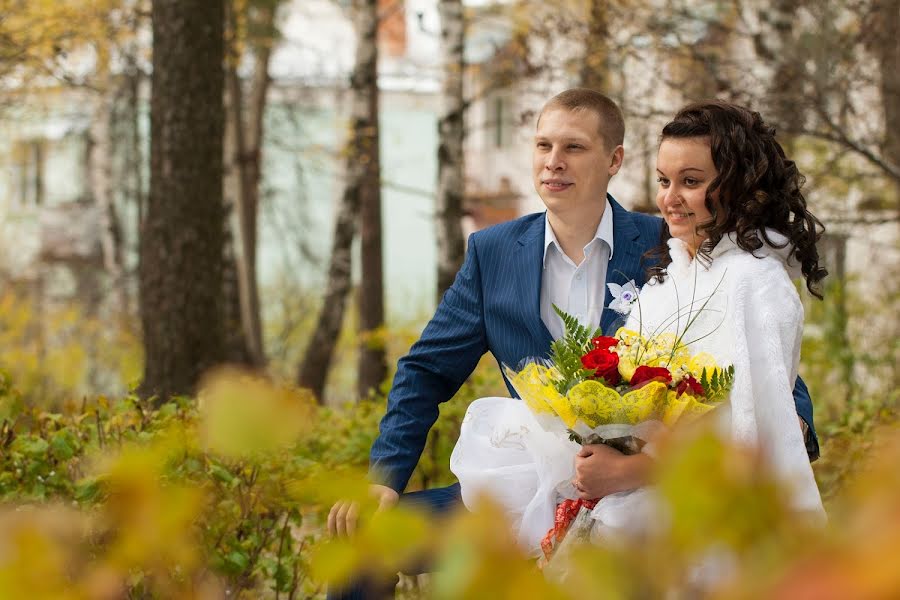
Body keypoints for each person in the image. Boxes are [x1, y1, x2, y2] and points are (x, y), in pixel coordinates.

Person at [326, 90, 819, 597]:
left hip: (635, 499)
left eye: (574, 148)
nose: (553, 162)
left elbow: (757, 364)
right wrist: (383, 480)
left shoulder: (671, 245)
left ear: (614, 160)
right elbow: (425, 371)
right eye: (543, 146)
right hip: (525, 488)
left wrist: (792, 428)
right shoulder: (492, 254)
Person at [451, 100, 826, 559]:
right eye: (664, 181)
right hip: (635, 512)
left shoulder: (755, 282)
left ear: (739, 187)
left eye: (692, 181)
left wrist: (633, 472)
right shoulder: (673, 273)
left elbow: (754, 442)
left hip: (702, 526)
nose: (670, 197)